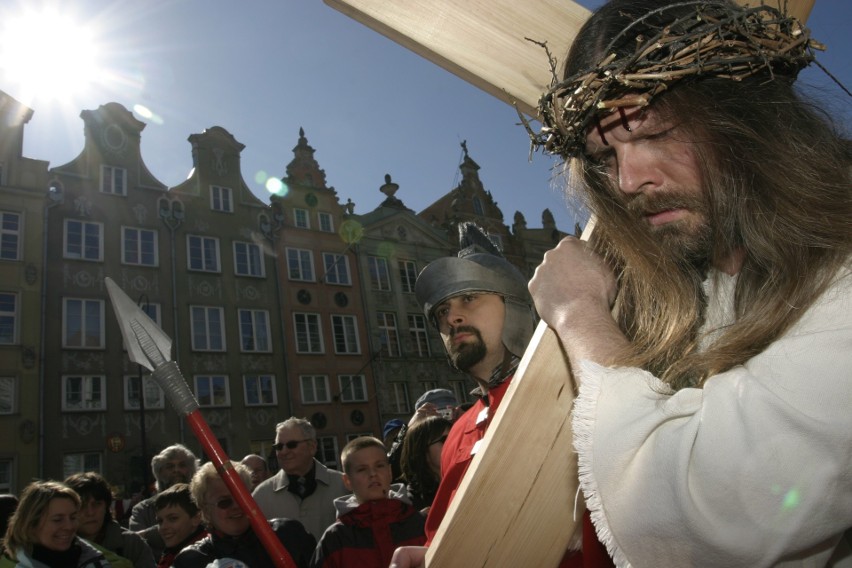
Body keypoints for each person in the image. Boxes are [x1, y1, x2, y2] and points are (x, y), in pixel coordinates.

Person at [523, 1, 851, 566]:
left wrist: (580, 315)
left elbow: (703, 516)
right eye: (606, 156)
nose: (629, 180)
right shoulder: (689, 284)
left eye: (655, 132)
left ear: (745, 120)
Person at [172, 461, 315, 568]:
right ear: (205, 511)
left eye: (242, 497)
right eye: (224, 502)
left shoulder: (288, 535)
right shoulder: (192, 561)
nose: (237, 506)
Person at [310, 437, 426, 568]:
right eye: (362, 469)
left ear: (389, 472)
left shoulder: (420, 524)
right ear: (347, 481)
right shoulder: (336, 539)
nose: (372, 473)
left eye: (379, 466)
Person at [252, 417, 348, 541]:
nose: (284, 451)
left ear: (312, 447)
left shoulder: (343, 485)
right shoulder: (261, 495)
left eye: (292, 445)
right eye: (279, 446)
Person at [0, 480, 110, 567]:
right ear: (31, 524)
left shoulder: (95, 561)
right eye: (57, 520)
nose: (69, 526)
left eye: (73, 517)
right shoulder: (11, 564)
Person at [64, 472, 155, 568]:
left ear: (106, 507)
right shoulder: (58, 544)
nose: (90, 512)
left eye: (97, 504)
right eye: (82, 505)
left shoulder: (131, 544)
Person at [130, 444, 200, 559]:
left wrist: (147, 534)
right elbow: (135, 543)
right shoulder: (143, 509)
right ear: (159, 473)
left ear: (191, 470)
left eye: (182, 465)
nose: (176, 470)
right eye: (170, 466)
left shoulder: (203, 502)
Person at [399, 416, 452, 512]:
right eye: (444, 440)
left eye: (454, 437)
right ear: (422, 451)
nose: (452, 443)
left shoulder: (469, 478)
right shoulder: (409, 505)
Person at [152, 484, 206, 568]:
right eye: (160, 521)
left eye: (173, 518)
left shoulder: (203, 558)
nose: (163, 527)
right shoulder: (171, 554)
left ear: (196, 518)